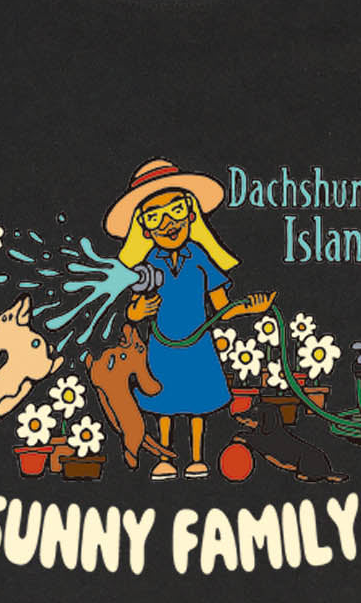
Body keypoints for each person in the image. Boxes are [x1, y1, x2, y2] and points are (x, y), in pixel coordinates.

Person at [103, 157, 269, 480]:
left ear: (191, 214)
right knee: (163, 405)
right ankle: (165, 456)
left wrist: (248, 309)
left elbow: (221, 306)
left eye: (176, 210)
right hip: (163, 345)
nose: (168, 223)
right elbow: (133, 308)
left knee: (197, 406)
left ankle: (196, 458)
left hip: (197, 344)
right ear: (144, 227)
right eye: (155, 216)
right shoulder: (148, 263)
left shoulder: (199, 256)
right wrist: (137, 312)